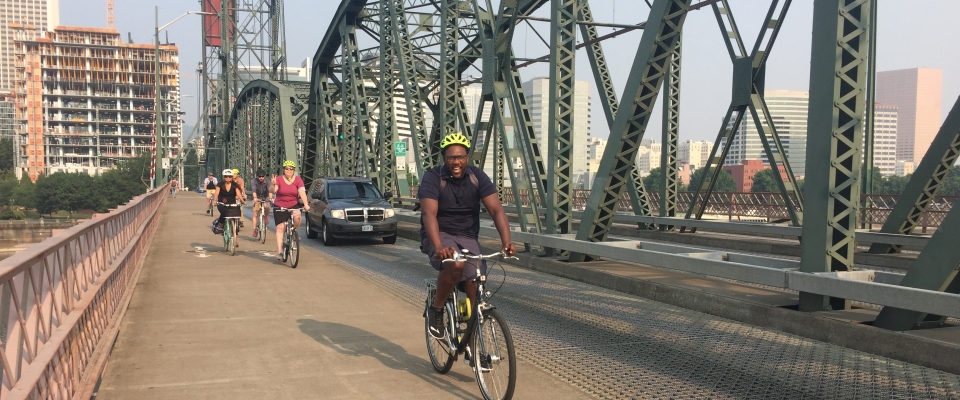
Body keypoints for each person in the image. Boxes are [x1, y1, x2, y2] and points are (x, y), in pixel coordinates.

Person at [421, 132, 516, 339]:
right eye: (451, 158)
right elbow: (429, 213)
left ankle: (472, 340)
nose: (456, 162)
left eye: (461, 157)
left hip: (467, 235)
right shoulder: (433, 177)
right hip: (440, 233)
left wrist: (506, 241)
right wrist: (437, 246)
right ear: (444, 158)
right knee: (455, 264)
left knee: (475, 281)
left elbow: (496, 209)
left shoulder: (476, 176)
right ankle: (437, 309)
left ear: (467, 158)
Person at [271, 160, 310, 260]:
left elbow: (302, 192)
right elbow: (273, 191)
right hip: (280, 205)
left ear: (294, 170)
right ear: (284, 170)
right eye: (287, 169)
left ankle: (294, 233)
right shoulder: (279, 179)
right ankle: (280, 251)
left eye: (291, 169)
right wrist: (272, 185)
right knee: (280, 227)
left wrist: (306, 204)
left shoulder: (298, 180)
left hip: (294, 204)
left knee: (297, 218)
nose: (289, 170)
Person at [215, 169, 246, 247]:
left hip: (232, 203)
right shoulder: (220, 184)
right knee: (224, 213)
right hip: (222, 203)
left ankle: (235, 239)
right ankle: (220, 224)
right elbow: (217, 192)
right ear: (224, 177)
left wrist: (242, 200)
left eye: (229, 177)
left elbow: (238, 193)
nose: (228, 178)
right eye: (226, 176)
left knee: (235, 218)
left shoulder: (234, 185)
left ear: (232, 177)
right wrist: (215, 200)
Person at [250, 168, 272, 238]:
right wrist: (255, 198)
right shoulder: (254, 181)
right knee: (255, 214)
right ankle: (255, 230)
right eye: (259, 176)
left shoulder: (268, 181)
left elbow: (270, 190)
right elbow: (253, 191)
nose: (261, 178)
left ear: (265, 176)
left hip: (265, 197)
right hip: (257, 197)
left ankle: (265, 217)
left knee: (267, 207)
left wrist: (270, 198)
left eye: (262, 176)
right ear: (257, 176)